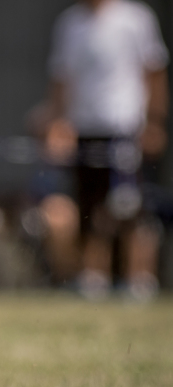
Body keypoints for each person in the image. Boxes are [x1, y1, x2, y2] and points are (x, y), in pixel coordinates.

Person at [40, 0, 169, 301]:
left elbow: (154, 71)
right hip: (84, 130)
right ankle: (93, 277)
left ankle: (139, 279)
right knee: (90, 205)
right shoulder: (69, 23)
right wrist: (58, 123)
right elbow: (61, 78)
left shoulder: (136, 19)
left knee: (132, 206)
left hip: (125, 128)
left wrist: (155, 122)